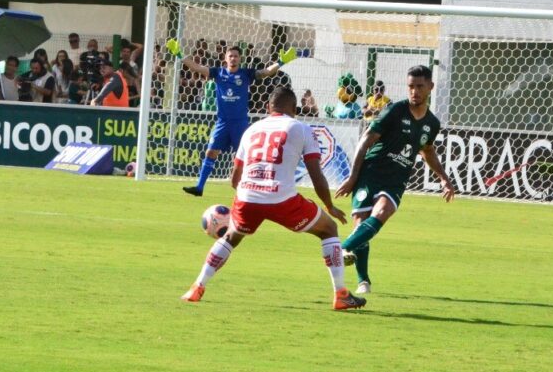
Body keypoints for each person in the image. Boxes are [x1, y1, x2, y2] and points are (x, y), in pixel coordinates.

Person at [180, 87, 365, 310]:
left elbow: (234, 178)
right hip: (282, 198)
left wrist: (246, 199)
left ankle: (196, 287)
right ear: (295, 109)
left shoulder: (252, 129)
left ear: (269, 108)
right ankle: (341, 294)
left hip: (247, 195)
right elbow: (317, 176)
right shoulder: (301, 128)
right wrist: (329, 206)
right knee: (329, 229)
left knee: (230, 237)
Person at [335, 65, 456, 295]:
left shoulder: (432, 123)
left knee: (382, 212)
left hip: (396, 179)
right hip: (370, 171)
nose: (414, 91)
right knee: (360, 224)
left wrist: (444, 179)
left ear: (430, 87)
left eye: (420, 86)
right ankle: (364, 281)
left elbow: (427, 151)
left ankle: (342, 248)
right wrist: (352, 177)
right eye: (411, 86)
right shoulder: (394, 111)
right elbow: (365, 141)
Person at [167, 39, 295, 196]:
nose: (233, 58)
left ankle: (249, 190)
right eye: (230, 56)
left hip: (240, 124)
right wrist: (179, 54)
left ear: (240, 59)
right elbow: (196, 67)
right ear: (225, 58)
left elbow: (266, 72)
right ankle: (199, 187)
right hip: (222, 122)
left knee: (242, 158)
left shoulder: (246, 74)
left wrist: (281, 62)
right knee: (211, 152)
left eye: (236, 56)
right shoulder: (217, 73)